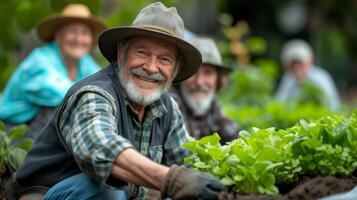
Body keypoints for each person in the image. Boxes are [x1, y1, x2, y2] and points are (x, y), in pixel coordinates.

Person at [5, 2, 224, 200]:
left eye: (164, 59)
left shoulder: (167, 107)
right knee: (108, 190)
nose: (151, 67)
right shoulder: (95, 93)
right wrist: (173, 180)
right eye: (142, 52)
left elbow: (188, 160)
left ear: (175, 70)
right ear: (121, 53)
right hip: (45, 193)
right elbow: (100, 148)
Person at [0, 4, 107, 139]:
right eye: (72, 32)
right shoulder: (40, 59)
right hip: (13, 128)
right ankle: (36, 158)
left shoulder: (84, 62)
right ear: (58, 36)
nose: (78, 39)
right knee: (62, 106)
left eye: (85, 33)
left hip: (39, 127)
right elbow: (58, 93)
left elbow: (104, 84)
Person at [170, 37, 239, 144]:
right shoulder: (170, 103)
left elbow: (235, 139)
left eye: (208, 72)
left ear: (218, 79)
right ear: (180, 74)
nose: (199, 82)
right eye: (193, 72)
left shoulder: (213, 107)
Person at [275, 39, 341, 110]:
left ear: (309, 62)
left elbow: (333, 105)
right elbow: (279, 101)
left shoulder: (321, 78)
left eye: (300, 64)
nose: (296, 68)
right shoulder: (288, 78)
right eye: (293, 64)